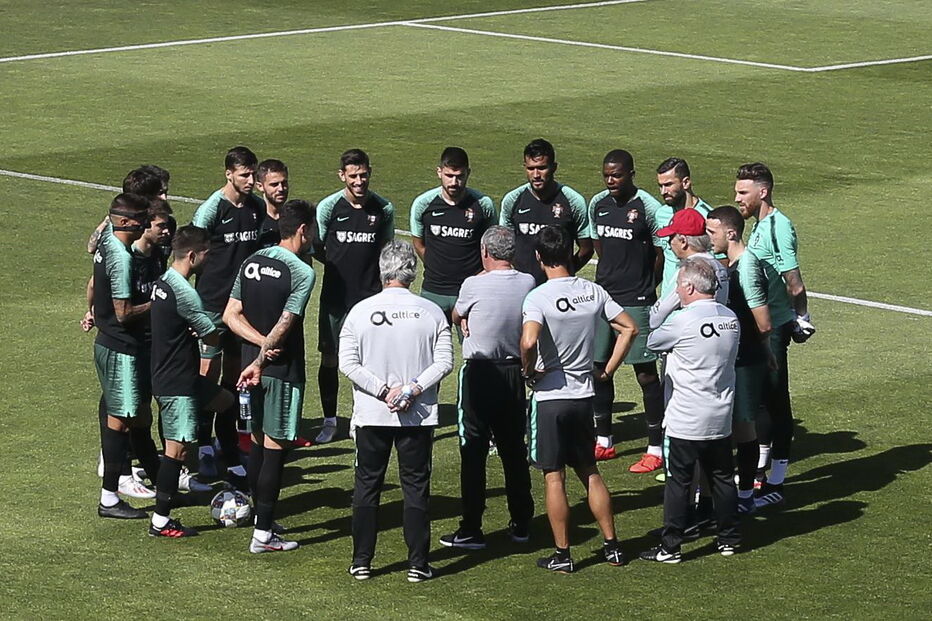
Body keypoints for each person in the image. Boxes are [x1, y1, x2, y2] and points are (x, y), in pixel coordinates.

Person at [521, 226, 638, 573]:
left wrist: (529, 371)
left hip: (551, 397)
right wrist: (607, 371)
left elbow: (529, 342)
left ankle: (563, 554)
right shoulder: (593, 291)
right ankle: (612, 546)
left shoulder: (538, 297)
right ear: (572, 252)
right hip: (584, 394)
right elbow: (629, 328)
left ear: (539, 257)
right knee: (590, 471)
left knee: (553, 476)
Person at [339, 241, 453, 582]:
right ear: (412, 271)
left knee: (367, 486)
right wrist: (413, 389)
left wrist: (383, 391)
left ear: (381, 270)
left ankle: (362, 561)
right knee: (416, 487)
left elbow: (348, 364)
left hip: (373, 414)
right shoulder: (431, 311)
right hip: (417, 416)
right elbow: (445, 362)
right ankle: (418, 563)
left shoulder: (360, 311)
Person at [226, 200, 317, 553]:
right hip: (279, 369)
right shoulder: (302, 272)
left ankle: (261, 514)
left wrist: (256, 349)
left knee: (260, 441)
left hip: (249, 365)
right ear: (304, 230)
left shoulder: (252, 260)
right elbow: (285, 325)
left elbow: (230, 314)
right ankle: (263, 534)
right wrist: (265, 357)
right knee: (276, 446)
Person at [639, 258, 741, 563]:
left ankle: (670, 545)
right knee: (722, 478)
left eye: (679, 285)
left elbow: (654, 337)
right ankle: (729, 539)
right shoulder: (731, 319)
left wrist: (670, 304)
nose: (677, 289)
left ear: (689, 287)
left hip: (686, 417)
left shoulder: (683, 322)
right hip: (720, 415)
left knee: (679, 482)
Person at [439, 226, 535, 549]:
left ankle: (471, 526)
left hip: (480, 374)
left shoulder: (472, 284)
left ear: (485, 253)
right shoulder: (527, 282)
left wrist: (464, 318)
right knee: (513, 450)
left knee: (473, 450)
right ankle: (522, 522)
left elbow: (456, 315)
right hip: (513, 374)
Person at [734, 163, 814, 508]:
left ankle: (777, 483)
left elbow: (794, 281)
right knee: (764, 397)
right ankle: (763, 470)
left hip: (776, 326)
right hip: (763, 325)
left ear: (762, 192)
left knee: (778, 400)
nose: (737, 198)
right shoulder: (760, 225)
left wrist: (801, 318)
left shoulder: (779, 227)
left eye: (742, 192)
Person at [149, 226, 235, 537]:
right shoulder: (186, 293)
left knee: (226, 402)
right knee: (178, 450)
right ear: (193, 255)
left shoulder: (164, 281)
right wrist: (204, 330)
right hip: (177, 381)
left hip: (174, 371)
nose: (209, 261)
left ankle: (233, 467)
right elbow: (212, 334)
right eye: (208, 255)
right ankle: (161, 520)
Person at [588, 149, 666, 470]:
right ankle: (604, 441)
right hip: (604, 298)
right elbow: (598, 245)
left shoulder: (648, 207)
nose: (611, 181)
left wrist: (649, 285)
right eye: (607, 175)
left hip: (636, 299)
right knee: (598, 368)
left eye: (617, 175)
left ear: (632, 174)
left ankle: (656, 447)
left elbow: (661, 252)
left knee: (645, 374)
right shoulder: (598, 204)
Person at [314, 149, 395, 445]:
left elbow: (387, 251)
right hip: (335, 298)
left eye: (363, 175)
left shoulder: (382, 208)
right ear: (342, 176)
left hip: (370, 299)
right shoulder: (328, 207)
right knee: (330, 358)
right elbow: (317, 246)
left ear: (370, 172)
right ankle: (330, 420)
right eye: (353, 176)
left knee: (368, 362)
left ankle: (361, 417)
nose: (359, 181)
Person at [192, 146, 263, 477]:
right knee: (207, 377)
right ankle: (202, 446)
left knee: (235, 378)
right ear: (229, 174)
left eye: (253, 174)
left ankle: (227, 442)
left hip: (241, 308)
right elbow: (190, 254)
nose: (250, 180)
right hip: (210, 308)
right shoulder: (211, 210)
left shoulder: (255, 208)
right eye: (244, 174)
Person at [93, 193, 159, 520]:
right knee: (120, 423)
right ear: (123, 222)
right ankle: (109, 498)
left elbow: (92, 242)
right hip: (121, 348)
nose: (145, 225)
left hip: (108, 343)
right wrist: (159, 300)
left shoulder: (106, 239)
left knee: (122, 418)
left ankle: (152, 477)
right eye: (139, 221)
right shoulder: (121, 257)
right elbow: (123, 312)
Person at [706, 206, 775, 514]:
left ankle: (746, 496)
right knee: (734, 427)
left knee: (743, 428)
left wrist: (764, 351)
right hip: (739, 357)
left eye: (712, 232)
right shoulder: (733, 264)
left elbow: (763, 322)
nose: (709, 238)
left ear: (730, 233)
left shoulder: (746, 266)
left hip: (746, 359)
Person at [410, 147, 496, 324]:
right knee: (429, 348)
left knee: (473, 349)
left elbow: (492, 245)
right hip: (433, 290)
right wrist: (435, 263)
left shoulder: (483, 205)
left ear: (468, 173)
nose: (454, 182)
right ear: (439, 172)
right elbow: (418, 243)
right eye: (449, 176)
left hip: (470, 291)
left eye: (460, 176)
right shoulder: (423, 204)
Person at [500, 138, 592, 285]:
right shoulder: (513, 200)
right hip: (520, 287)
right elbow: (504, 246)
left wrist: (565, 274)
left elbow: (586, 249)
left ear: (554, 167)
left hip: (558, 289)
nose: (536, 175)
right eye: (530, 168)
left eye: (542, 168)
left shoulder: (573, 201)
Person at [649, 207, 730, 330]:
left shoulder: (688, 270)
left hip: (689, 334)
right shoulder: (719, 266)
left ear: (683, 241)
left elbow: (659, 313)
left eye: (671, 238)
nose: (669, 245)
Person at [655, 158, 715, 297]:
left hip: (695, 299)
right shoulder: (662, 214)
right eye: (660, 185)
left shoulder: (708, 217)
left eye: (668, 185)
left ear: (686, 182)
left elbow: (719, 262)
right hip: (668, 300)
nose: (663, 191)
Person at [86, 165, 170, 255]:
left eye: (165, 192)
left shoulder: (166, 223)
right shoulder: (125, 225)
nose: (164, 198)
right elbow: (92, 248)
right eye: (160, 193)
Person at [255, 159, 290, 248]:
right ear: (260, 186)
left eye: (284, 183)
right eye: (274, 185)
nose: (281, 189)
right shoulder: (253, 220)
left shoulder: (293, 218)